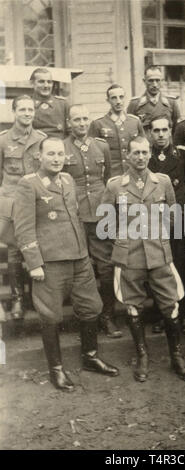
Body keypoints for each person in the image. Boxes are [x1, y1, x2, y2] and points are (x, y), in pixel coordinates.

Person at [13, 137, 119, 391]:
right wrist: (34, 263)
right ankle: (56, 370)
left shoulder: (68, 180)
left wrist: (86, 253)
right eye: (51, 154)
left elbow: (74, 219)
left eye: (60, 154)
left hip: (79, 258)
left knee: (91, 307)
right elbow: (23, 227)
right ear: (39, 156)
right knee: (50, 315)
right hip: (50, 262)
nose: (57, 158)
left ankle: (90, 357)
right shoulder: (29, 185)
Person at [100, 135, 185, 383]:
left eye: (145, 153)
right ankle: (142, 355)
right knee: (133, 305)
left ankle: (176, 356)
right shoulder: (115, 186)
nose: (141, 158)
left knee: (170, 303)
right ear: (127, 156)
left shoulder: (162, 182)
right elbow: (105, 222)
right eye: (136, 153)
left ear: (149, 155)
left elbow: (173, 216)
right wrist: (124, 239)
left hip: (158, 253)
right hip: (129, 255)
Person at [63, 104, 122, 338]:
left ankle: (108, 316)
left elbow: (107, 179)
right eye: (76, 119)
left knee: (106, 268)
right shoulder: (62, 148)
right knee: (79, 268)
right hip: (74, 214)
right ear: (69, 123)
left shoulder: (102, 146)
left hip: (100, 213)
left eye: (85, 118)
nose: (81, 123)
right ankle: (84, 317)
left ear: (90, 121)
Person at [148, 116, 185, 334]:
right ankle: (162, 314)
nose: (160, 134)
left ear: (171, 131)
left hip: (180, 218)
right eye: (156, 130)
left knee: (182, 267)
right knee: (158, 269)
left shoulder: (184, 156)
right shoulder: (145, 157)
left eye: (164, 130)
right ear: (150, 133)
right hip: (154, 221)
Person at [0, 95, 46, 320]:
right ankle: (18, 298)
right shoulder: (3, 140)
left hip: (36, 202)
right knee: (15, 251)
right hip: (13, 202)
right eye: (23, 110)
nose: (27, 113)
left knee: (37, 248)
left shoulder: (42, 139)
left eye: (31, 110)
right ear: (14, 112)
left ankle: (37, 297)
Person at [88, 84, 145, 177]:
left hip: (133, 173)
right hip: (111, 175)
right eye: (114, 98)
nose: (118, 101)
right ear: (108, 100)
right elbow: (92, 152)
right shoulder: (98, 123)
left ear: (125, 98)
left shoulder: (135, 122)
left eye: (121, 97)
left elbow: (144, 146)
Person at [127, 66, 181, 138]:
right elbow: (130, 130)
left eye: (157, 80)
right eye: (151, 81)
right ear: (144, 81)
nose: (154, 85)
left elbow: (177, 130)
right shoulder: (135, 104)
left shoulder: (171, 103)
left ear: (162, 81)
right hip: (144, 147)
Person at [30, 67, 69, 138]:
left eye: (49, 82)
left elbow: (70, 131)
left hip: (60, 145)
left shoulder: (62, 104)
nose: (46, 85)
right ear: (32, 83)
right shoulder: (27, 104)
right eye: (41, 82)